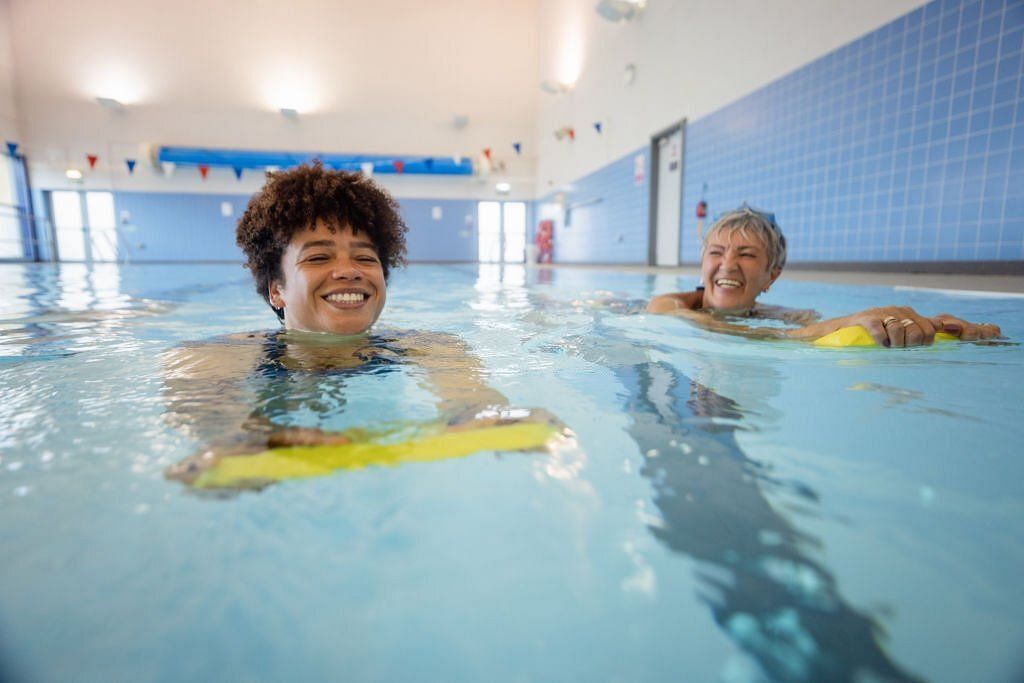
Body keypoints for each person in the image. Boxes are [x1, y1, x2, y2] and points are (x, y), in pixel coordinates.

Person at [164, 163, 565, 490]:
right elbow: (208, 410)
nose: (348, 271)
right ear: (276, 291)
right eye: (318, 257)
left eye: (366, 258)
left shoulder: (430, 346)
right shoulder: (220, 355)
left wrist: (489, 415)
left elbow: (472, 400)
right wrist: (246, 437)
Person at [647, 206, 1002, 347]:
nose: (728, 264)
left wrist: (926, 325)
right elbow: (718, 329)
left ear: (772, 275)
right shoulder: (667, 304)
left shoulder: (786, 316)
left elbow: (838, 327)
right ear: (702, 265)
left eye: (746, 253)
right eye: (716, 252)